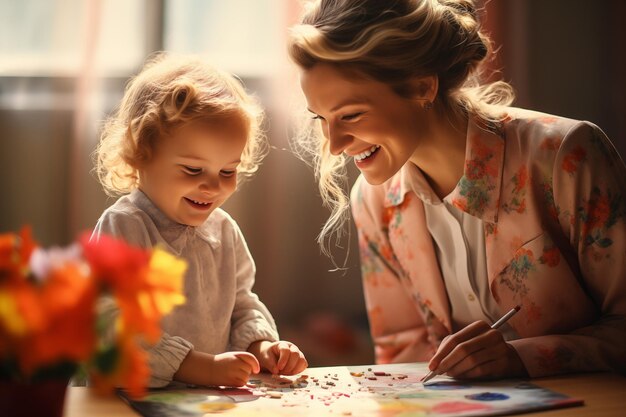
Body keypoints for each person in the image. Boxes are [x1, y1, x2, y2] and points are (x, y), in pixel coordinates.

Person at [287, 0, 626, 379]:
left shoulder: (563, 157)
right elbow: (403, 355)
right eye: (321, 118)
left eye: (351, 115)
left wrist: (522, 358)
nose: (334, 145)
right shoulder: (374, 199)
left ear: (421, 86)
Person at [92, 52, 307, 388]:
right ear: (140, 153)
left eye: (228, 171)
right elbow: (110, 326)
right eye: (193, 170)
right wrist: (196, 367)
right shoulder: (125, 226)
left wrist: (262, 347)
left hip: (200, 401)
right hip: (126, 400)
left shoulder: (223, 230)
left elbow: (242, 304)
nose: (213, 186)